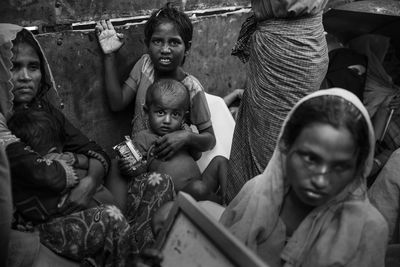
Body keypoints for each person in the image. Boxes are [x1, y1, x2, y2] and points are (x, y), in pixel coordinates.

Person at [0, 23, 172, 266]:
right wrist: (80, 164)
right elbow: (42, 174)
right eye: (14, 67)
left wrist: (89, 180)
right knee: (111, 218)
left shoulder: (45, 110)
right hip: (41, 223)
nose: (26, 77)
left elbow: (94, 149)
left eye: (34, 67)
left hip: (82, 198)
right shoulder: (1, 121)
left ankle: (141, 253)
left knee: (159, 183)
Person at [220, 88, 388, 266]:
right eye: (310, 159)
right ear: (285, 147)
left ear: (358, 171)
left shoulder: (368, 230)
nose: (321, 180)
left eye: (340, 167)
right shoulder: (255, 193)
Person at [226, 0, 329, 202]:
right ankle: (243, 211)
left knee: (275, 151)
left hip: (296, 48)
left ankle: (262, 215)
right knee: (259, 139)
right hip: (280, 43)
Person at [95, 3, 215, 162]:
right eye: (157, 41)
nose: (165, 49)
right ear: (147, 44)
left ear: (187, 47)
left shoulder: (192, 87)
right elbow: (117, 103)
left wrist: (186, 137)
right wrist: (109, 56)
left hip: (173, 165)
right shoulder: (145, 66)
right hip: (140, 161)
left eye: (174, 42)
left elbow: (210, 140)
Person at [120, 79, 227, 203]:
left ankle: (227, 196)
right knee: (198, 188)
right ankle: (222, 205)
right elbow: (141, 174)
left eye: (175, 114)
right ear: (146, 111)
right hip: (175, 196)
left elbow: (196, 155)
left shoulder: (184, 132)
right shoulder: (142, 138)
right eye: (160, 112)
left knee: (220, 161)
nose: (167, 120)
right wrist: (129, 168)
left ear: (183, 116)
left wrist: (187, 138)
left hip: (201, 184)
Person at [7, 109, 115, 224]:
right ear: (55, 149)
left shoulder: (17, 174)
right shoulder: (64, 171)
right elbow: (92, 156)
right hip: (106, 217)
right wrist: (76, 160)